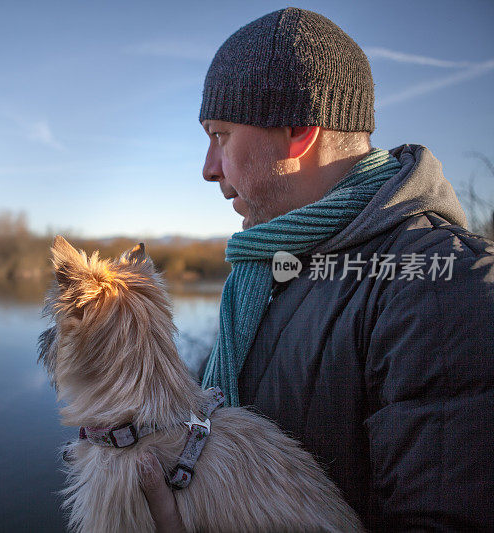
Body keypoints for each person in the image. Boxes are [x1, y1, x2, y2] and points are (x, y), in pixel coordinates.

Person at [139, 7, 494, 531]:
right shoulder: (267, 275)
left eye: (220, 135)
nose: (209, 168)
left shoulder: (444, 285)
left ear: (298, 130)